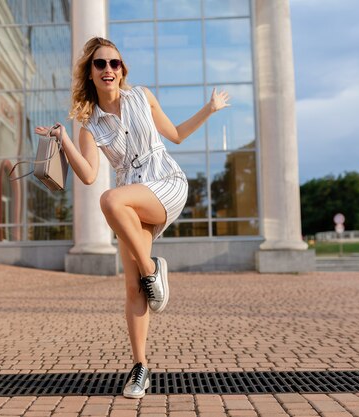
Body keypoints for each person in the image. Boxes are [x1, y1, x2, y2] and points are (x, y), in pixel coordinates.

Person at [35, 37, 230, 399]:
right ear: (90, 74)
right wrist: (64, 139)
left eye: (114, 63)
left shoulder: (141, 96)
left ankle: (153, 268)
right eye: (100, 64)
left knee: (110, 201)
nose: (108, 69)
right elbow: (89, 175)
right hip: (130, 202)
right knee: (132, 287)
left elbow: (175, 135)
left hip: (166, 184)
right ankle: (140, 367)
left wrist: (209, 108)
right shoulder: (89, 124)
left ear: (122, 69)